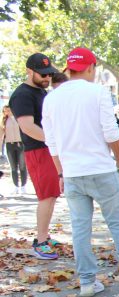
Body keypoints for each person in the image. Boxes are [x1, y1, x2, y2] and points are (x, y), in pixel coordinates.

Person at [41, 47, 119, 297]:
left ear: (69, 69)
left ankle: (87, 282)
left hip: (72, 173)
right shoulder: (97, 92)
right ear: (91, 68)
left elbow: (51, 142)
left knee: (80, 228)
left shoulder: (51, 99)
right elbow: (112, 133)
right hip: (101, 169)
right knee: (118, 225)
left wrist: (61, 173)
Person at [9, 53, 61, 260]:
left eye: (49, 74)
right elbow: (27, 126)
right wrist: (52, 141)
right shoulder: (22, 94)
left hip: (48, 149)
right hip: (38, 150)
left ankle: (45, 236)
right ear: (29, 71)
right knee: (46, 196)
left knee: (52, 194)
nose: (47, 78)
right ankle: (40, 241)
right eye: (43, 74)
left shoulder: (41, 92)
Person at [2, 105, 27, 195]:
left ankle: (23, 186)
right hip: (9, 145)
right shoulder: (4, 121)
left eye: (8, 110)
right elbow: (1, 136)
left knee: (22, 166)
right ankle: (16, 187)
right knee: (13, 168)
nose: (7, 112)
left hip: (20, 144)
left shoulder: (18, 118)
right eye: (5, 111)